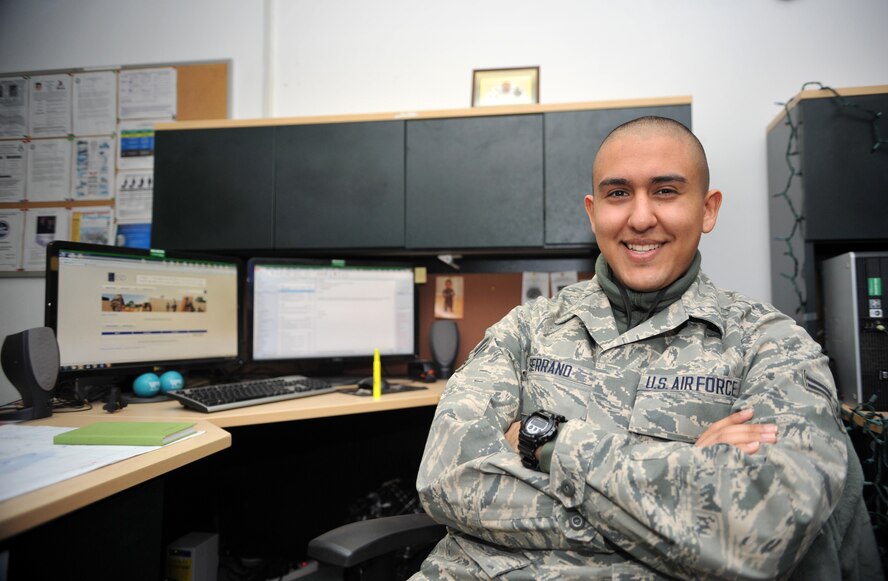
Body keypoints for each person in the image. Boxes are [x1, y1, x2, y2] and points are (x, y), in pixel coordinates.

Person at [412, 117, 879, 579]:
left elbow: (764, 528)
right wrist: (680, 498)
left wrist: (548, 443)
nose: (639, 218)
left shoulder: (770, 344)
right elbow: (445, 477)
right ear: (593, 212)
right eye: (618, 193)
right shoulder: (526, 328)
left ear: (708, 209)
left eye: (666, 191)